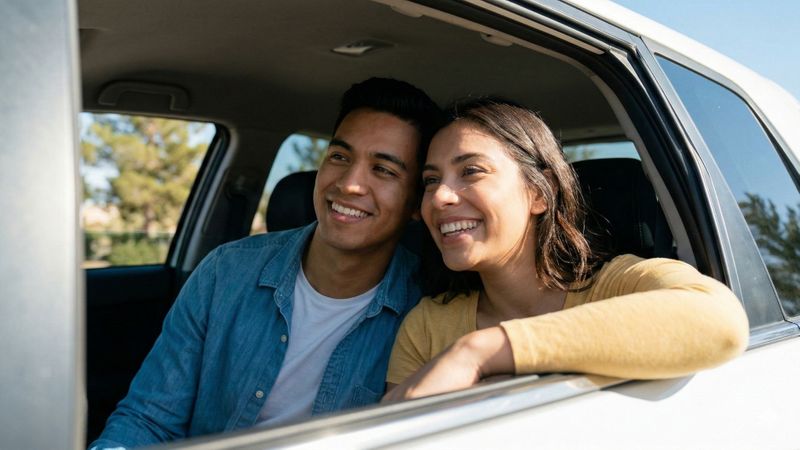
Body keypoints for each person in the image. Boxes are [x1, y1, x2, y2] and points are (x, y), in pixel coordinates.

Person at [90, 77, 442, 448]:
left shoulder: (427, 310)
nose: (349, 184)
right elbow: (149, 419)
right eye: (340, 157)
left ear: (416, 203)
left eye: (383, 169)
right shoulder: (226, 272)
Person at [383, 98, 750, 401]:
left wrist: (481, 352)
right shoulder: (429, 325)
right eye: (431, 180)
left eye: (471, 171)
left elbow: (720, 320)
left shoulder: (619, 285)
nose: (440, 197)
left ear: (539, 193)